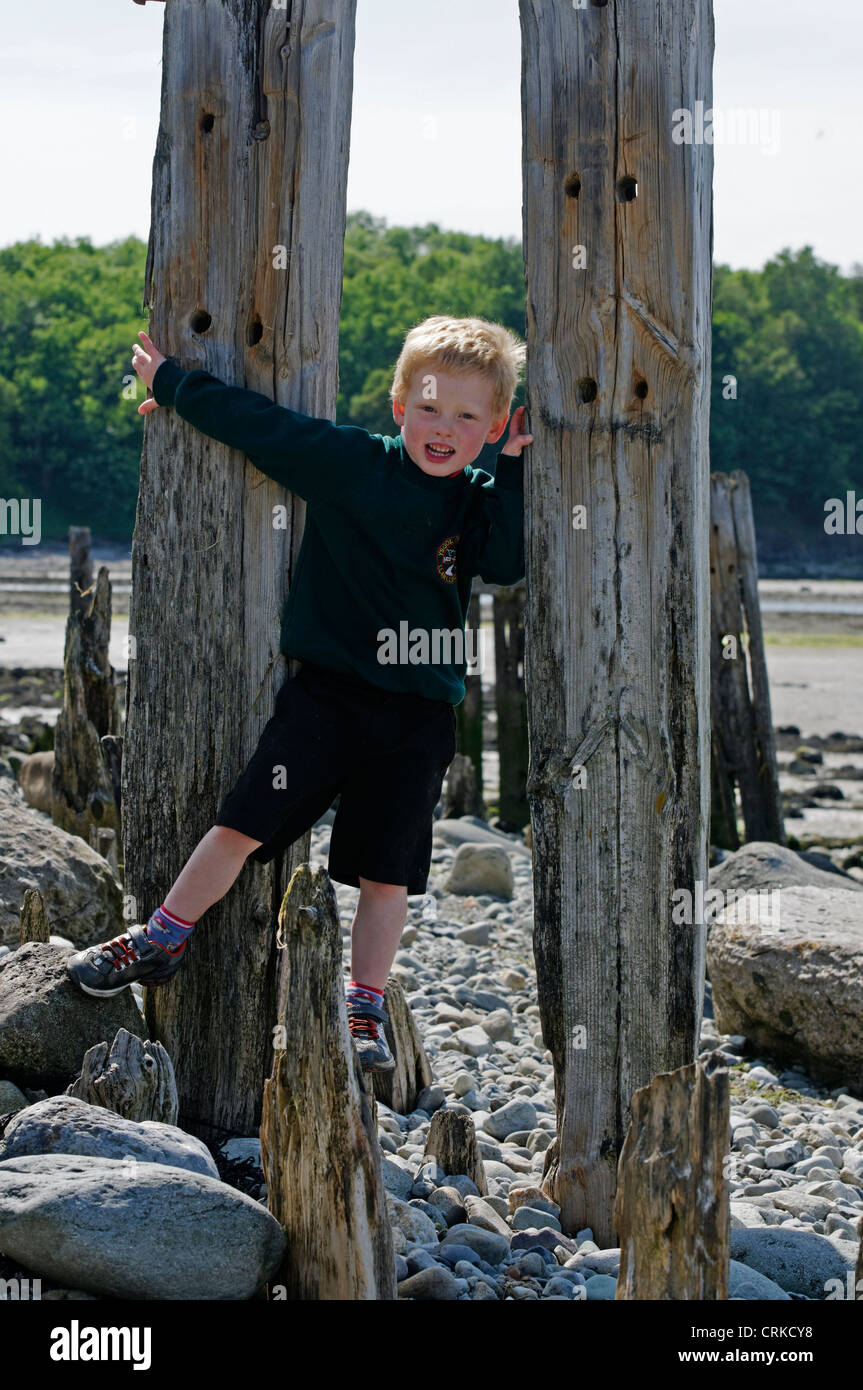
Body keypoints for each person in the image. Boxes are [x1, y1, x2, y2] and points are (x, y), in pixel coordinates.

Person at [66, 315, 532, 1071]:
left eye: (466, 416)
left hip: (418, 718)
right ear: (397, 406)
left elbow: (507, 562)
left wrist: (510, 468)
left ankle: (363, 1004)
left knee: (388, 874)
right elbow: (263, 426)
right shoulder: (353, 463)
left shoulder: (478, 498)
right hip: (327, 701)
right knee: (240, 823)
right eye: (429, 407)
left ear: (494, 424)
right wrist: (174, 386)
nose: (442, 428)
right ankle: (161, 936)